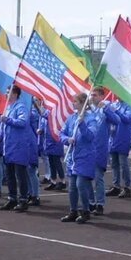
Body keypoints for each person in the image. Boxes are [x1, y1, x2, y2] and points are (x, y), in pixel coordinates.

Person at [60, 93, 95, 223]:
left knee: (81, 184)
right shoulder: (71, 118)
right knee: (72, 186)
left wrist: (82, 124)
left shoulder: (91, 118)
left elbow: (91, 136)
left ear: (82, 103)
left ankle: (86, 210)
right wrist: (67, 139)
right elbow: (62, 133)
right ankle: (73, 211)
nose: (73, 103)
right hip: (72, 157)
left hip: (85, 156)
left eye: (75, 101)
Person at [0, 85, 34, 212]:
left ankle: (23, 199)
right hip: (8, 147)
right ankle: (12, 198)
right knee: (10, 175)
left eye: (8, 92)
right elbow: (3, 127)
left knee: (20, 175)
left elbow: (23, 122)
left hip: (19, 146)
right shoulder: (7, 108)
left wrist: (7, 120)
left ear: (15, 94)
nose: (6, 94)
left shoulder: (21, 107)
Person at [104, 99, 131, 198]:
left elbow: (127, 119)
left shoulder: (130, 106)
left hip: (123, 137)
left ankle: (127, 187)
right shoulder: (114, 104)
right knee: (114, 164)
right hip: (113, 137)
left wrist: (116, 111)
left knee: (123, 164)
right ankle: (116, 186)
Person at [88, 88, 111, 213]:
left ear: (102, 96)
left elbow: (116, 120)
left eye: (95, 95)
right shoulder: (89, 110)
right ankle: (91, 202)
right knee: (86, 178)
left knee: (98, 178)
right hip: (88, 149)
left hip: (100, 149)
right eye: (92, 95)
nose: (92, 97)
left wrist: (106, 109)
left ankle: (100, 204)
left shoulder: (106, 108)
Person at [41, 100, 67, 191]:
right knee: (51, 163)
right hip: (48, 141)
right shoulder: (48, 111)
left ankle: (63, 181)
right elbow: (44, 124)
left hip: (55, 140)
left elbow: (46, 116)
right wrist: (41, 130)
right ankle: (53, 181)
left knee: (57, 162)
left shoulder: (55, 112)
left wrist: (36, 106)